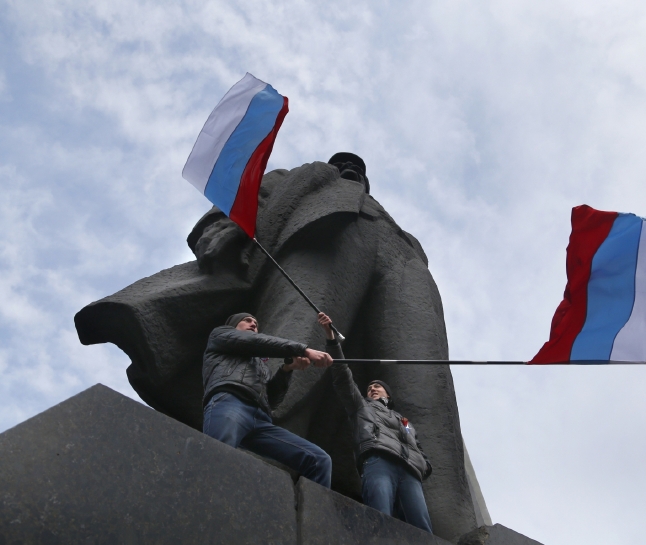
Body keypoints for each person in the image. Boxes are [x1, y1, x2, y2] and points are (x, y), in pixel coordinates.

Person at [75, 153, 480, 541]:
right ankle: (263, 474)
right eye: (346, 166)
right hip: (321, 235)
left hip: (400, 260)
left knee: (426, 389)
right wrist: (221, 232)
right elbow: (240, 203)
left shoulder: (396, 226)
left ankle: (453, 525)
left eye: (358, 169)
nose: (353, 171)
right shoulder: (303, 177)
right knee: (298, 341)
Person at [317, 312, 433, 533]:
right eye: (369, 387)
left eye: (377, 386)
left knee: (422, 527)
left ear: (387, 394)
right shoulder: (362, 406)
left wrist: (425, 465)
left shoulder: (404, 419)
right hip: (378, 460)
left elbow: (416, 443)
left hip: (410, 472)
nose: (371, 388)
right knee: (378, 517)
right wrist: (331, 340)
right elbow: (342, 376)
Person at [202, 312, 334, 487]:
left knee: (319, 460)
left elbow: (272, 401)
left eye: (256, 323)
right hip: (230, 402)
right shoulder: (220, 334)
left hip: (261, 419)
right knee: (217, 455)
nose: (253, 324)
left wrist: (287, 369)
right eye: (247, 320)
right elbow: (255, 342)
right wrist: (304, 350)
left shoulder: (261, 366)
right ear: (233, 325)